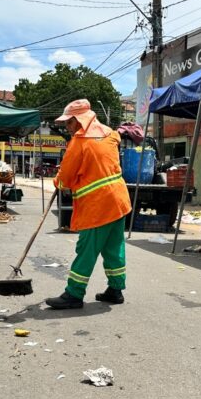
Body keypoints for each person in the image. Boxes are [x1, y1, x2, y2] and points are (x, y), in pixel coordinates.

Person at [45, 99, 132, 309]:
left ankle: (73, 294)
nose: (66, 127)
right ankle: (116, 289)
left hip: (98, 206)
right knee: (114, 247)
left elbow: (65, 178)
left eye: (68, 122)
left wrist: (58, 181)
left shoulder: (79, 142)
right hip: (119, 200)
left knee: (86, 250)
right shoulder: (110, 134)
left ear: (78, 121)